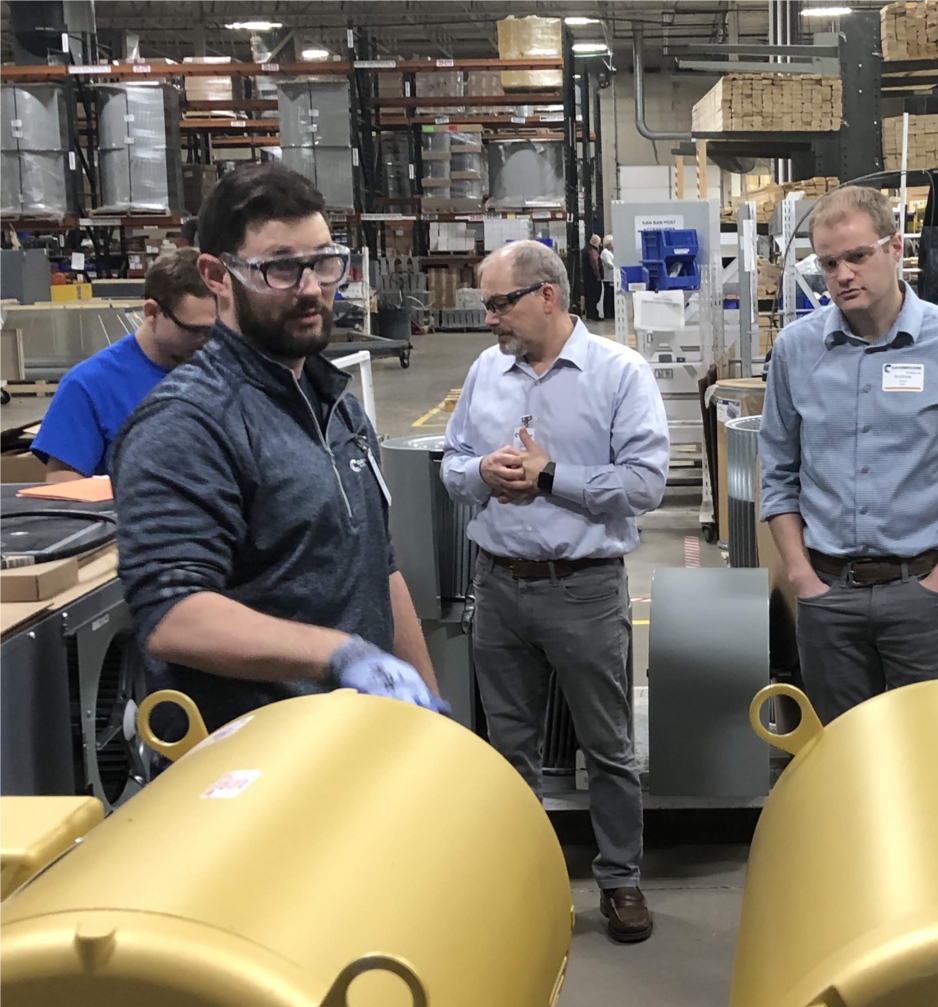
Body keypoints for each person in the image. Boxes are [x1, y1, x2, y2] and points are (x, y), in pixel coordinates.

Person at [111, 164, 442, 731]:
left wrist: (436, 727)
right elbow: (174, 616)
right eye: (281, 268)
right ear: (216, 276)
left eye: (323, 263)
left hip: (357, 740)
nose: (312, 288)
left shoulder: (337, 404)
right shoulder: (188, 422)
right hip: (260, 759)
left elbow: (379, 570)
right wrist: (339, 654)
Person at [441, 240, 669, 944]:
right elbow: (450, 465)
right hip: (499, 586)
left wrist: (547, 477)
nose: (489, 320)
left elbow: (644, 484)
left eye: (498, 303)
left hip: (584, 589)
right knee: (508, 747)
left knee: (606, 746)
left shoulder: (618, 374)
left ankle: (620, 880)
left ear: (546, 295)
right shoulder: (486, 371)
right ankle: (521, 879)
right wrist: (483, 469)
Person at [758, 185, 938, 722]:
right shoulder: (794, 350)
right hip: (828, 599)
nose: (843, 275)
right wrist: (803, 578)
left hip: (921, 597)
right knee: (843, 761)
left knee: (929, 757)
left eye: (857, 256)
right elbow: (778, 473)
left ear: (896, 248)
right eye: (829, 263)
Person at [31, 248, 217, 480]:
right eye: (195, 331)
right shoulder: (88, 386)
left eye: (217, 331)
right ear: (152, 313)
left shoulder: (226, 371)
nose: (208, 343)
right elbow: (63, 487)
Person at [583, 233, 603, 321]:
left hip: (585, 278)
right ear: (596, 242)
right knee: (594, 296)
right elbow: (595, 264)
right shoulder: (593, 251)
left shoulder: (584, 250)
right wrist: (598, 276)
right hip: (593, 279)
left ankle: (590, 313)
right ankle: (593, 314)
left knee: (589, 297)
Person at [600, 234, 617, 319]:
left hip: (612, 278)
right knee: (608, 296)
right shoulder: (605, 253)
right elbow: (609, 264)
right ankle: (608, 313)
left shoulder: (610, 253)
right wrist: (616, 267)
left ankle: (611, 312)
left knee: (611, 296)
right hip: (608, 278)